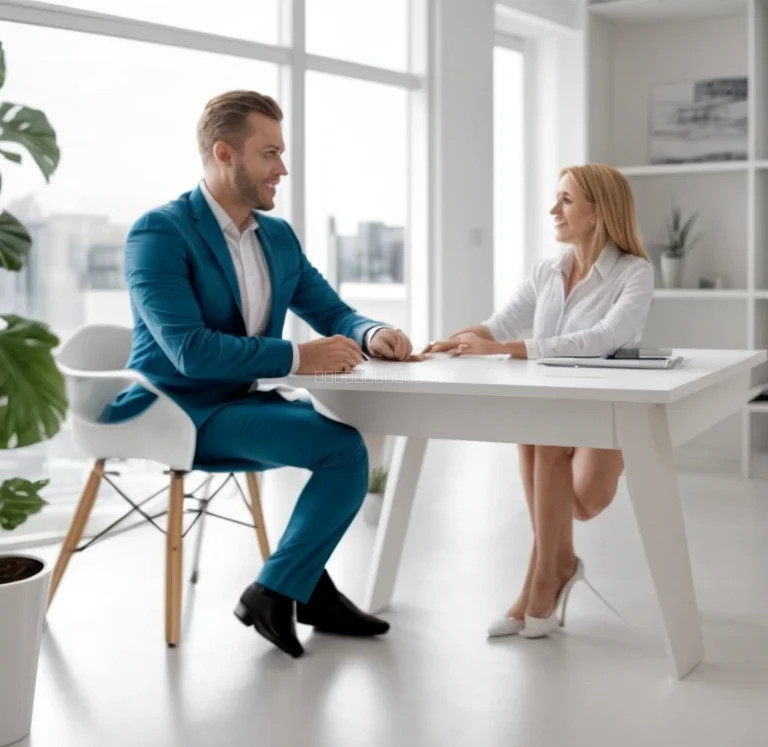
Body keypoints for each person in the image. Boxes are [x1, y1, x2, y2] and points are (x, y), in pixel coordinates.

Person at [101, 90, 417, 658]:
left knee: (343, 447)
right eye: (268, 153)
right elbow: (189, 352)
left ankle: (298, 590)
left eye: (282, 153)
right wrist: (299, 358)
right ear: (225, 153)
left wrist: (372, 334)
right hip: (174, 409)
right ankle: (276, 592)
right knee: (343, 451)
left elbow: (332, 311)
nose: (282, 169)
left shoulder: (277, 236)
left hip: (239, 401)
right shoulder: (159, 233)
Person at [423, 163, 654, 639]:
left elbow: (602, 338)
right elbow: (499, 324)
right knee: (536, 435)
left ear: (598, 212)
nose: (554, 210)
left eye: (566, 200)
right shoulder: (547, 272)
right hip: (551, 414)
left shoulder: (635, 274)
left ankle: (553, 569)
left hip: (604, 413)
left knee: (582, 500)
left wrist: (507, 349)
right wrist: (454, 340)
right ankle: (547, 576)